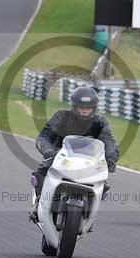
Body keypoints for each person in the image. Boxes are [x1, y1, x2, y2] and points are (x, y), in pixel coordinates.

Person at [29, 86, 119, 220]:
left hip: (89, 160)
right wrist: (49, 151)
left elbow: (109, 141)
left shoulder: (100, 122)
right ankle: (39, 202)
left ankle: (89, 212)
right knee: (42, 171)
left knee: (103, 184)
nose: (84, 110)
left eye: (88, 107)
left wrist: (110, 158)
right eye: (81, 107)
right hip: (60, 156)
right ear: (74, 106)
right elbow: (43, 137)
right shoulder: (62, 116)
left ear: (94, 108)